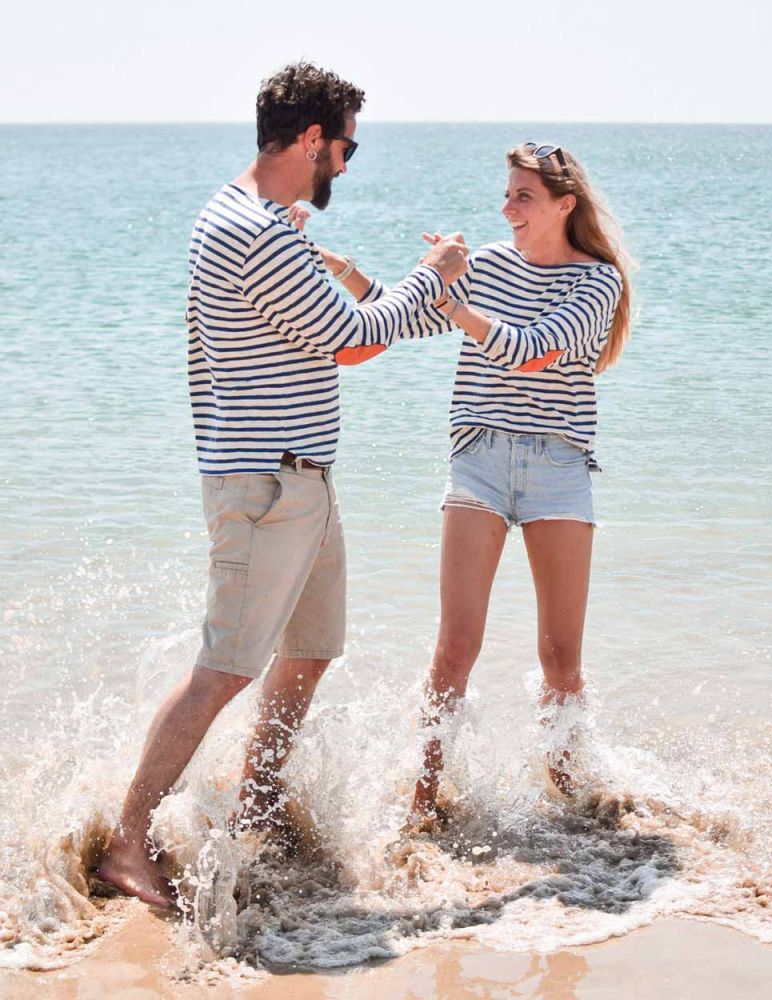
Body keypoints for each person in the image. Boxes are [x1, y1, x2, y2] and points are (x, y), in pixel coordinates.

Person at [98, 62, 468, 907]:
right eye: (345, 146)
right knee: (225, 668)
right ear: (311, 139)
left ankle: (256, 812)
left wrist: (362, 280)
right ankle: (126, 842)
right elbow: (355, 334)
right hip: (265, 485)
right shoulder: (255, 231)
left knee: (309, 652)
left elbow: (339, 339)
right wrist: (440, 276)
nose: (344, 163)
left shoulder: (259, 221)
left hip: (299, 479)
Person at [316, 142, 631, 817]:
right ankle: (422, 802)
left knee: (560, 656)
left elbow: (532, 353)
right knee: (456, 644)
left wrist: (454, 299)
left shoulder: (597, 282)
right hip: (480, 457)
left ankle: (572, 798)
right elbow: (406, 318)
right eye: (508, 193)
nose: (506, 207)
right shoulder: (487, 264)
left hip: (559, 465)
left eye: (523, 196)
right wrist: (350, 273)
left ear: (563, 205)